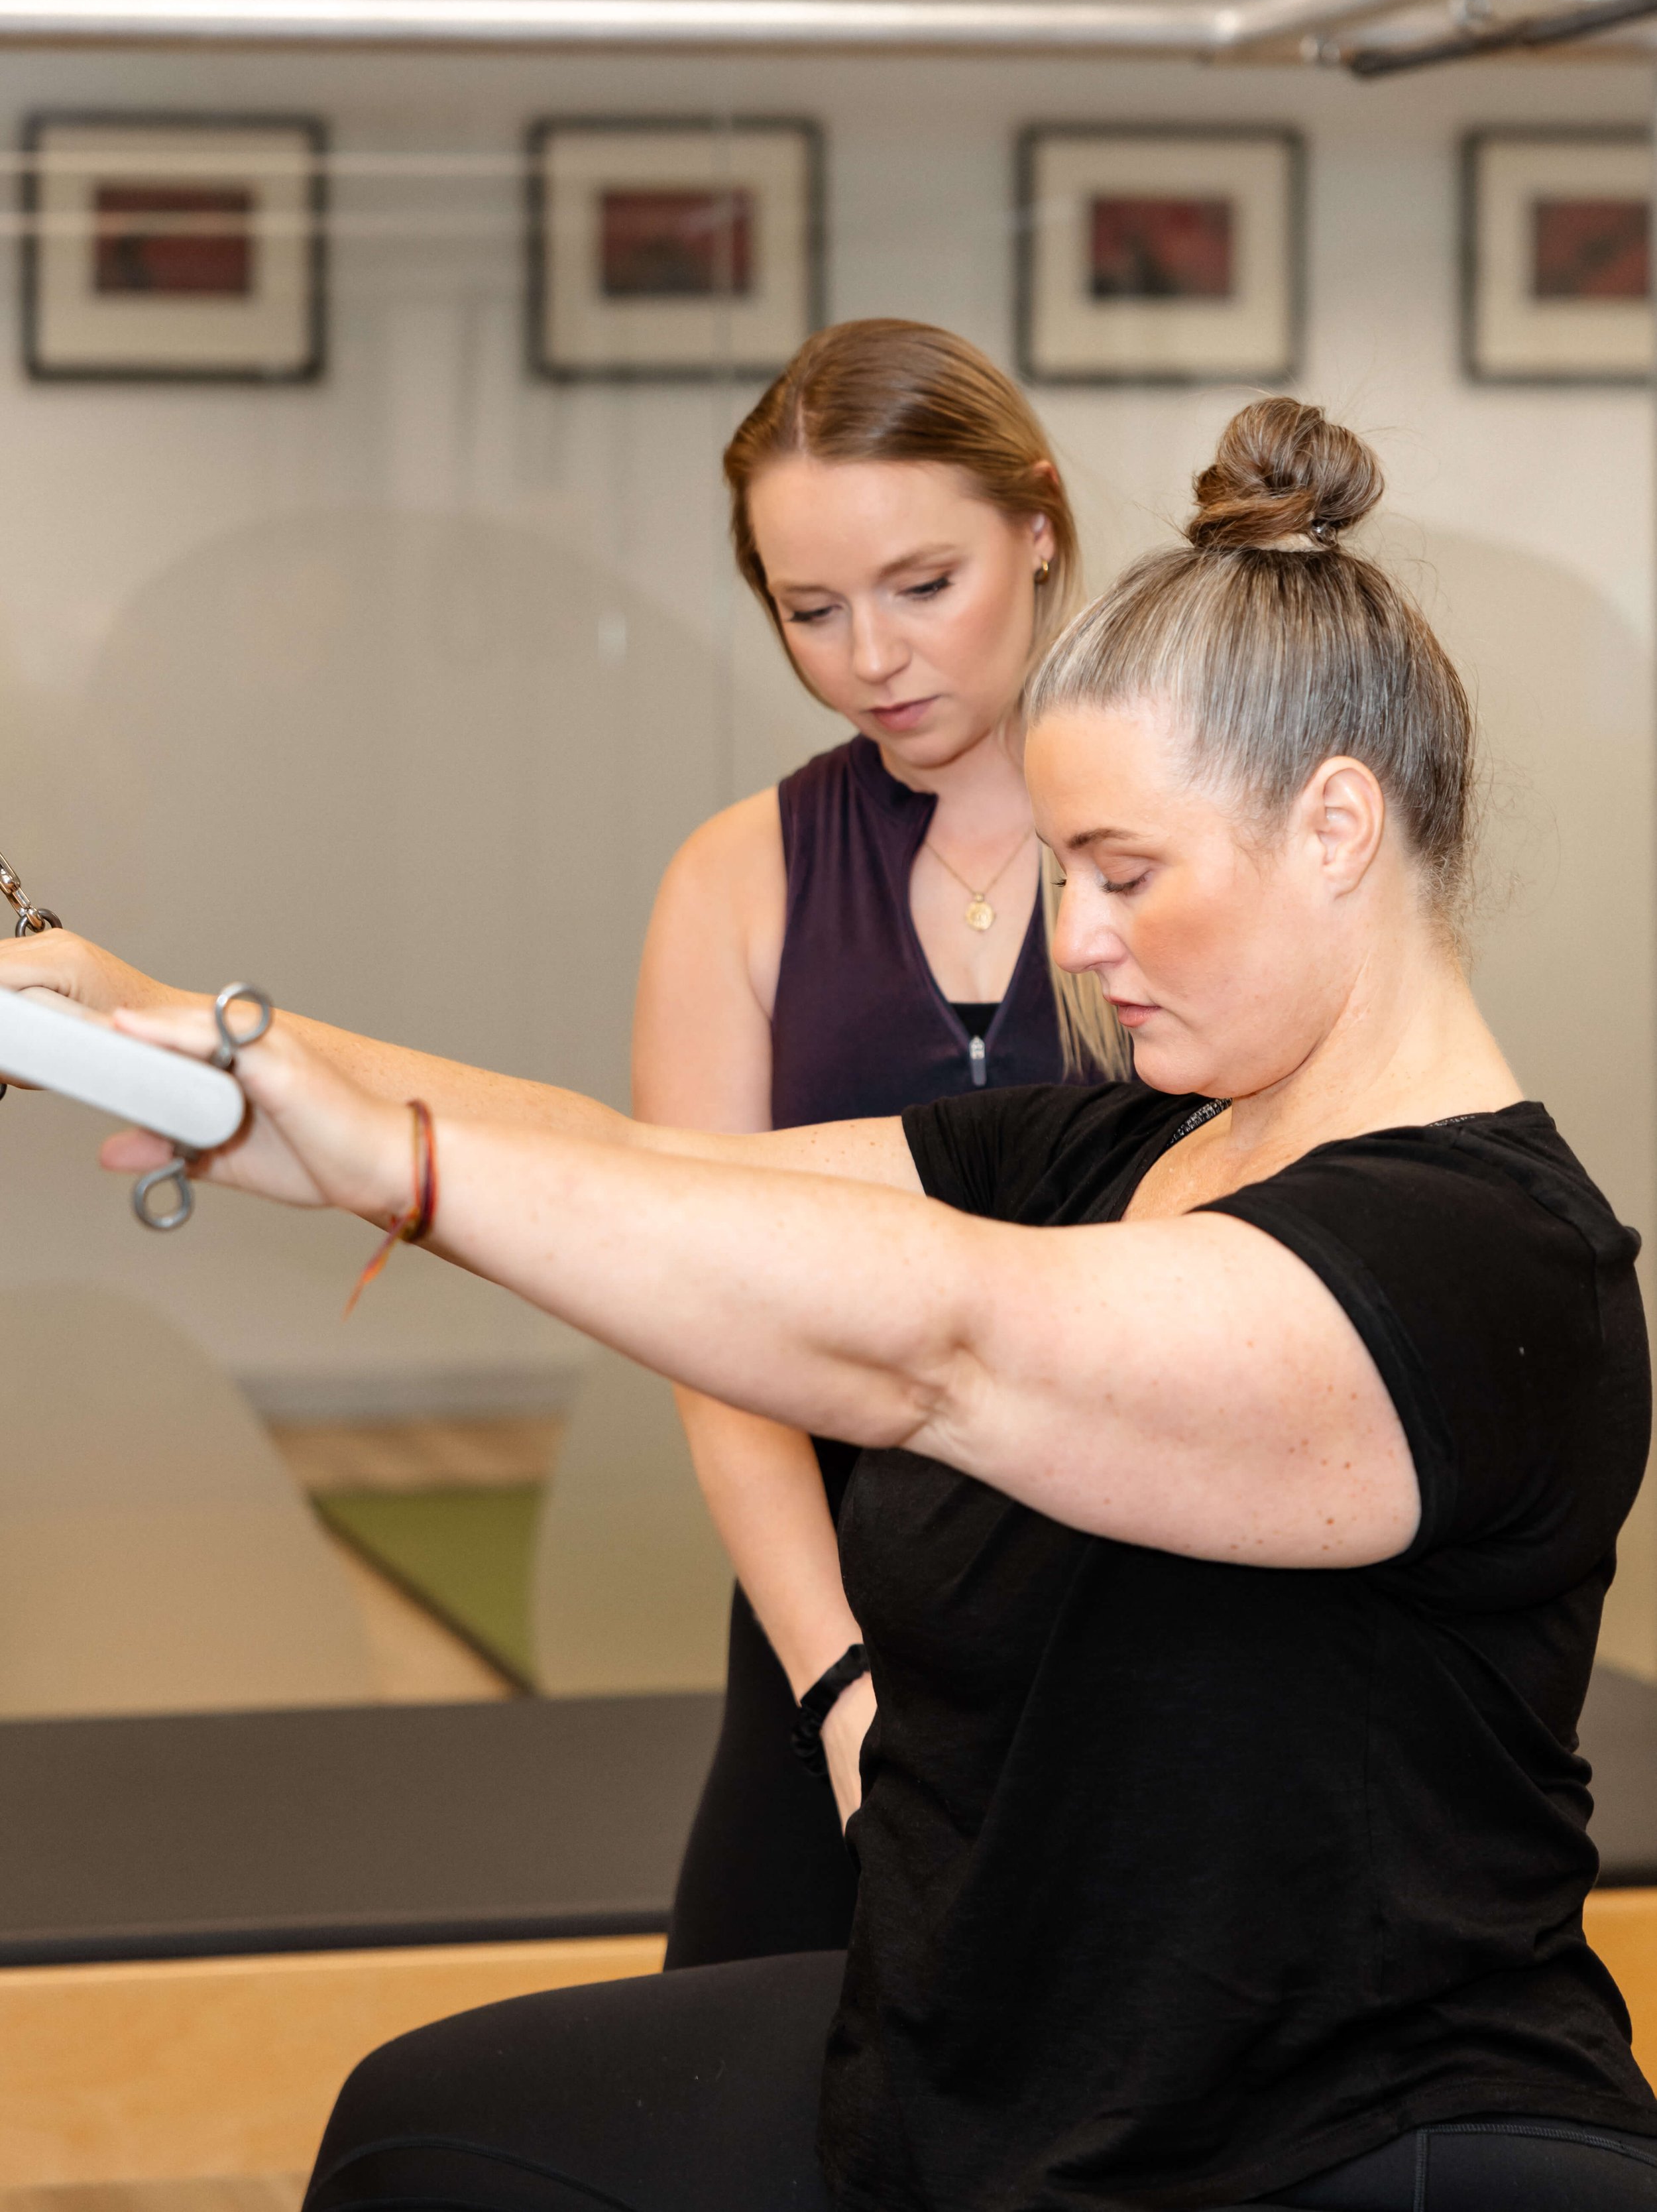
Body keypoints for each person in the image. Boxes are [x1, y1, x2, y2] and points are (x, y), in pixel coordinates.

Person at [25, 397, 1657, 2207]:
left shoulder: (1493, 1262)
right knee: (428, 2131)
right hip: (991, 2050)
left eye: (1121, 871)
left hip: (1312, 2130)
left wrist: (392, 1167)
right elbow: (667, 1167)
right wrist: (188, 1035)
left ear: (1336, 823)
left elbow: (942, 1341)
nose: (1078, 940)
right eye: (1058, 872)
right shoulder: (1124, 1139)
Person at [636, 319, 1114, 1965]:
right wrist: (836, 1680)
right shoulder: (736, 876)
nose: (870, 659)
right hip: (826, 1612)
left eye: (923, 586)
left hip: (1152, 1610)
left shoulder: (1184, 841)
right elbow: (703, 1319)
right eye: (810, 611)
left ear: (1035, 527)